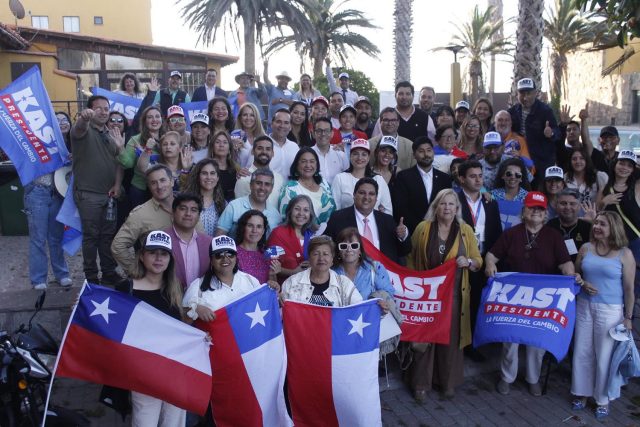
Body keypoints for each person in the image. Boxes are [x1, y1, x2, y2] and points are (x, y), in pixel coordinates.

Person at [485, 191, 579, 397]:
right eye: (531, 208)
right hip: (514, 296)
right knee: (510, 340)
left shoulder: (553, 236)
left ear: (545, 213)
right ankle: (507, 377)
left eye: (540, 209)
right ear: (524, 211)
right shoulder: (512, 234)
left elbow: (566, 263)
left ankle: (533, 378)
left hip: (543, 298)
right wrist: (490, 264)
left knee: (537, 342)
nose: (535, 212)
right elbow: (492, 254)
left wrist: (570, 276)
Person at [405, 189, 482, 400]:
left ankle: (447, 382)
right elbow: (411, 257)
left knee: (450, 339)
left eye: (451, 204)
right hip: (426, 295)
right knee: (424, 338)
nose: (447, 208)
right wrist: (412, 287)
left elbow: (478, 260)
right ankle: (420, 383)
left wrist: (468, 262)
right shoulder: (423, 228)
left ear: (457, 208)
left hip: (454, 295)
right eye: (442, 203)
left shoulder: (465, 230)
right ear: (436, 207)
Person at [571, 211, 636, 420]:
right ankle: (581, 393)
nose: (597, 227)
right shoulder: (585, 248)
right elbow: (575, 275)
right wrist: (582, 282)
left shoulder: (625, 254)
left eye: (603, 224)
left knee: (604, 356)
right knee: (582, 351)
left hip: (610, 310)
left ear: (613, 228)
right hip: (584, 306)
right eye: (596, 223)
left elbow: (629, 289)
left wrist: (628, 317)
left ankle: (602, 399)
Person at [127, 230, 186, 426]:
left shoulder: (176, 288)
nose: (158, 258)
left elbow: (182, 329)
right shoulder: (126, 289)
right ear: (142, 256)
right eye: (152, 253)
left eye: (164, 253)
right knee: (145, 421)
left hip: (174, 368)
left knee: (174, 422)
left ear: (170, 259)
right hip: (143, 372)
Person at [71, 95, 125, 285]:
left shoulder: (112, 134)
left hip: (109, 196)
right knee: (91, 237)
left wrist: (117, 185)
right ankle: (91, 276)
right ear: (90, 110)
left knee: (107, 236)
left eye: (106, 108)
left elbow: (120, 163)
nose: (103, 111)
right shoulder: (83, 130)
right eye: (98, 108)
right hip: (88, 195)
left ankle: (109, 272)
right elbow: (79, 128)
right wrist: (84, 118)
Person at [325, 177, 410, 264]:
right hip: (349, 270)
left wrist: (402, 236)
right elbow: (327, 248)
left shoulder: (387, 220)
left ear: (376, 198)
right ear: (354, 195)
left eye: (371, 194)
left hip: (384, 270)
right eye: (362, 193)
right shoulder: (338, 218)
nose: (366, 197)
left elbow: (404, 251)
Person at [111, 165, 176, 276]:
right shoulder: (141, 214)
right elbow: (118, 246)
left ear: (172, 182)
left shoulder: (186, 207)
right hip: (159, 279)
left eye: (162, 180)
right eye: (153, 183)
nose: (159, 186)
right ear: (149, 186)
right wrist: (138, 272)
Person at [182, 235, 263, 320]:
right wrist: (196, 309)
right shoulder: (198, 286)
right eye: (219, 255)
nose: (225, 259)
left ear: (236, 258)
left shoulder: (250, 281)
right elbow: (184, 320)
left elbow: (264, 305)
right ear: (211, 260)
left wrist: (270, 287)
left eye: (230, 254)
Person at [24, 152, 72, 289]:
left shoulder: (58, 142)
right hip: (37, 190)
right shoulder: (28, 142)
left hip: (57, 191)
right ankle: (38, 279)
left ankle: (61, 274)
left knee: (56, 236)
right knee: (38, 238)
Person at [598, 150, 640, 292]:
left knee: (634, 282)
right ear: (615, 164)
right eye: (622, 163)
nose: (624, 168)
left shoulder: (636, 187)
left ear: (633, 169)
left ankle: (632, 306)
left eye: (629, 165)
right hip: (611, 242)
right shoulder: (605, 188)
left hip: (634, 242)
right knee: (612, 278)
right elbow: (596, 213)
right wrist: (604, 201)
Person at [393, 136, 453, 234]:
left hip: (440, 231)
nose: (426, 154)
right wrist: (421, 228)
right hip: (413, 231)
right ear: (414, 155)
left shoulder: (444, 178)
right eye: (421, 151)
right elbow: (401, 208)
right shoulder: (404, 177)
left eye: (429, 150)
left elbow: (449, 206)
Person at [280, 235, 362, 307]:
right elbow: (280, 312)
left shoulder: (344, 284)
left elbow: (360, 308)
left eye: (325, 254)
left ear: (332, 259)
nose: (321, 258)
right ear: (309, 258)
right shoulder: (292, 282)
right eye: (316, 254)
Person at [508, 78, 559, 183]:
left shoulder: (545, 110)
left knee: (539, 190)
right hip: (520, 160)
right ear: (517, 94)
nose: (525, 97)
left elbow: (557, 132)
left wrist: (551, 133)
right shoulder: (512, 111)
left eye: (528, 93)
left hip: (541, 162)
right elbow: (498, 125)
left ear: (535, 93)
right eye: (522, 93)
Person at [118, 105, 164, 208]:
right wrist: (120, 149)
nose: (154, 120)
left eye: (157, 116)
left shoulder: (167, 138)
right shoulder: (135, 140)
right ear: (144, 121)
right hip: (140, 189)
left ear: (162, 119)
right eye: (150, 117)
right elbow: (128, 164)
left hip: (162, 188)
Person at [164, 193, 212, 289]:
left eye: (193, 210)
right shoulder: (162, 239)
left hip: (201, 296)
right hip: (169, 296)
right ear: (173, 212)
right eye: (183, 209)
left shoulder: (209, 242)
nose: (188, 214)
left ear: (199, 216)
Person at [331, 139, 393, 214]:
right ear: (350, 156)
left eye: (364, 154)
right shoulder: (340, 178)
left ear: (368, 157)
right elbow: (334, 209)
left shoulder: (378, 180)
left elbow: (387, 211)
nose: (359, 158)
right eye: (355, 154)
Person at [279, 147, 336, 227]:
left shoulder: (324, 183)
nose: (308, 165)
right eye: (303, 161)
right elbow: (285, 218)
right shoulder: (289, 188)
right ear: (297, 164)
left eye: (312, 161)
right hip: (300, 233)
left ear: (317, 164)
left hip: (328, 232)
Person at [216, 168, 281, 238]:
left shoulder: (275, 215)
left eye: (267, 184)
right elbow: (219, 237)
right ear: (251, 185)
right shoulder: (234, 206)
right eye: (258, 183)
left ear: (271, 188)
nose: (262, 188)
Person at [332, 227, 395, 299]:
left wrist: (378, 300)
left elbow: (389, 294)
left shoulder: (375, 268)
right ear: (338, 251)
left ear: (360, 250)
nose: (349, 249)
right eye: (343, 246)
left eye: (354, 246)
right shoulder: (331, 272)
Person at [267, 195, 319, 280]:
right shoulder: (278, 233)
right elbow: (270, 266)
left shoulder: (315, 235)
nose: (301, 213)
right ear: (290, 211)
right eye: (297, 209)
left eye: (306, 210)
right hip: (286, 284)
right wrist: (293, 272)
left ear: (310, 214)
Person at [234, 135, 285, 209]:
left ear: (273, 153)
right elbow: (239, 209)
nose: (264, 152)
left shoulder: (279, 178)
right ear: (252, 151)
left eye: (268, 149)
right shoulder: (244, 178)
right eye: (260, 148)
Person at [137, 131, 192, 195]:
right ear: (161, 148)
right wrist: (148, 149)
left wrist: (186, 170)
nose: (168, 147)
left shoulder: (189, 164)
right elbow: (142, 167)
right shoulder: (156, 164)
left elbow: (190, 190)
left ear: (180, 148)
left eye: (172, 144)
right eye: (165, 144)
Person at [547, 188, 593, 263]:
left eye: (572, 204)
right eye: (563, 203)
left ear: (579, 207)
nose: (568, 207)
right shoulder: (549, 226)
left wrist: (594, 222)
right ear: (556, 205)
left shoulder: (588, 227)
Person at [235, 210, 281, 284]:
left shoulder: (267, 255)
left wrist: (272, 274)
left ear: (263, 231)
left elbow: (273, 286)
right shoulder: (233, 254)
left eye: (259, 226)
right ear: (243, 228)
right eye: (250, 226)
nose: (254, 230)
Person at [183, 158, 226, 237]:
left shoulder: (224, 204)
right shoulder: (187, 201)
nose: (208, 177)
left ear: (217, 178)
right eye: (204, 173)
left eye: (212, 173)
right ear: (198, 177)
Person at [311, 117, 348, 185]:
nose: (323, 134)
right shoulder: (308, 154)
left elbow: (347, 178)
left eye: (327, 131)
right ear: (313, 134)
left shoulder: (341, 155)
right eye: (319, 131)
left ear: (332, 133)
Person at [232, 102, 267, 168]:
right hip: (240, 174)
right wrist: (233, 150)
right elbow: (230, 163)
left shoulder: (264, 138)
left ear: (256, 118)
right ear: (240, 117)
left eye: (252, 115)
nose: (248, 118)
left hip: (261, 174)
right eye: (245, 115)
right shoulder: (234, 137)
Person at [206, 131, 238, 201]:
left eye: (225, 142)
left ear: (229, 148)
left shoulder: (236, 169)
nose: (221, 145)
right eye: (217, 142)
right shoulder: (204, 167)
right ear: (212, 147)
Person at [269, 109, 300, 179]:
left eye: (286, 123)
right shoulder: (262, 145)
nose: (282, 125)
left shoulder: (294, 147)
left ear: (290, 127)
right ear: (272, 124)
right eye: (278, 122)